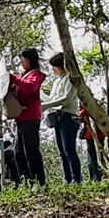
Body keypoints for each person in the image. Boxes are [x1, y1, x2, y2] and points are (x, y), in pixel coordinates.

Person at [42, 52, 81, 184]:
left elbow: (66, 99)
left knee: (69, 150)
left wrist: (46, 105)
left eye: (55, 67)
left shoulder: (71, 79)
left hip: (69, 116)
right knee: (62, 152)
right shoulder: (57, 81)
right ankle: (68, 179)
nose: (53, 70)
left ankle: (77, 179)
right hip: (57, 118)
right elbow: (53, 99)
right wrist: (40, 94)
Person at [10, 48, 47, 186]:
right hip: (20, 117)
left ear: (30, 61)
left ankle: (38, 181)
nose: (21, 62)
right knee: (19, 152)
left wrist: (14, 78)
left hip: (30, 117)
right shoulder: (23, 75)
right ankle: (25, 180)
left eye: (23, 59)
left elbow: (29, 88)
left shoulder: (36, 75)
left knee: (31, 149)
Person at [79, 104, 107, 182]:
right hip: (96, 133)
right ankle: (99, 176)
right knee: (96, 155)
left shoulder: (88, 104)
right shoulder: (94, 103)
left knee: (93, 156)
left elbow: (81, 114)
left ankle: (97, 177)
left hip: (94, 134)